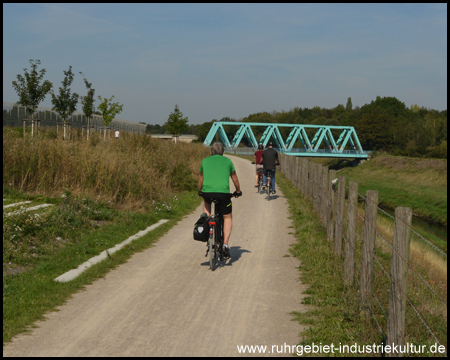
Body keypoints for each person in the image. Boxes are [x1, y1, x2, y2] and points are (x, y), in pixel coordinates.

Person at [198, 142, 242, 259]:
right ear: (223, 152)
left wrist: (200, 191)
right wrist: (238, 191)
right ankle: (226, 245)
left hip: (208, 193)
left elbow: (201, 178)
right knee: (227, 217)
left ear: (211, 152)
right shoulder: (228, 161)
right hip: (223, 195)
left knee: (207, 203)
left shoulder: (205, 161)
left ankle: (207, 226)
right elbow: (235, 178)